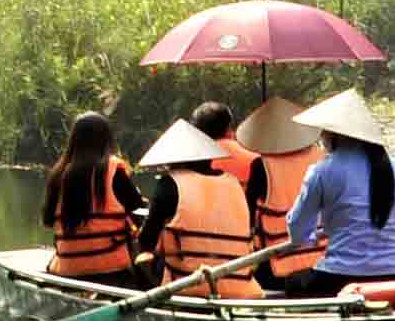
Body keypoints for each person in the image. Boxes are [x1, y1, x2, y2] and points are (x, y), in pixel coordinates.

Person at [266, 89, 395, 297]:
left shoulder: (322, 170)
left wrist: (311, 238)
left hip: (341, 278)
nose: (321, 137)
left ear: (333, 134)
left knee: (293, 282)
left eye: (323, 131)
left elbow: (297, 231)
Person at [133, 117, 273, 298]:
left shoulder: (170, 183)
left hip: (188, 283)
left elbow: (147, 240)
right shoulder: (233, 183)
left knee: (142, 258)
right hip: (240, 283)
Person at [41, 110, 142, 284]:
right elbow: (138, 211)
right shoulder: (113, 169)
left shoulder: (58, 174)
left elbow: (48, 221)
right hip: (114, 270)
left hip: (67, 269)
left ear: (73, 140)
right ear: (106, 139)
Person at [237, 97, 330, 286]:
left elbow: (246, 214)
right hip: (326, 260)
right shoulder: (323, 158)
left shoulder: (261, 166)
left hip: (277, 266)